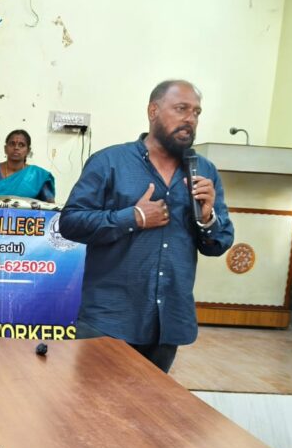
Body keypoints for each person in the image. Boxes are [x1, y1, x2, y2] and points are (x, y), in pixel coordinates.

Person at [59, 80, 234, 373]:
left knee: (150, 403)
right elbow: (71, 222)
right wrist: (134, 217)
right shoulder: (109, 162)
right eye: (181, 109)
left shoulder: (204, 171)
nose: (190, 119)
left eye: (196, 112)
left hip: (167, 324)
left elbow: (219, 243)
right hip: (109, 319)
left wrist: (207, 218)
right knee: (92, 401)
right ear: (153, 111)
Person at [0, 129, 56, 202]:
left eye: (21, 145)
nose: (16, 148)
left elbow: (50, 205)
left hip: (27, 217)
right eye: (12, 144)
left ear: (28, 151)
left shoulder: (37, 175)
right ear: (5, 149)